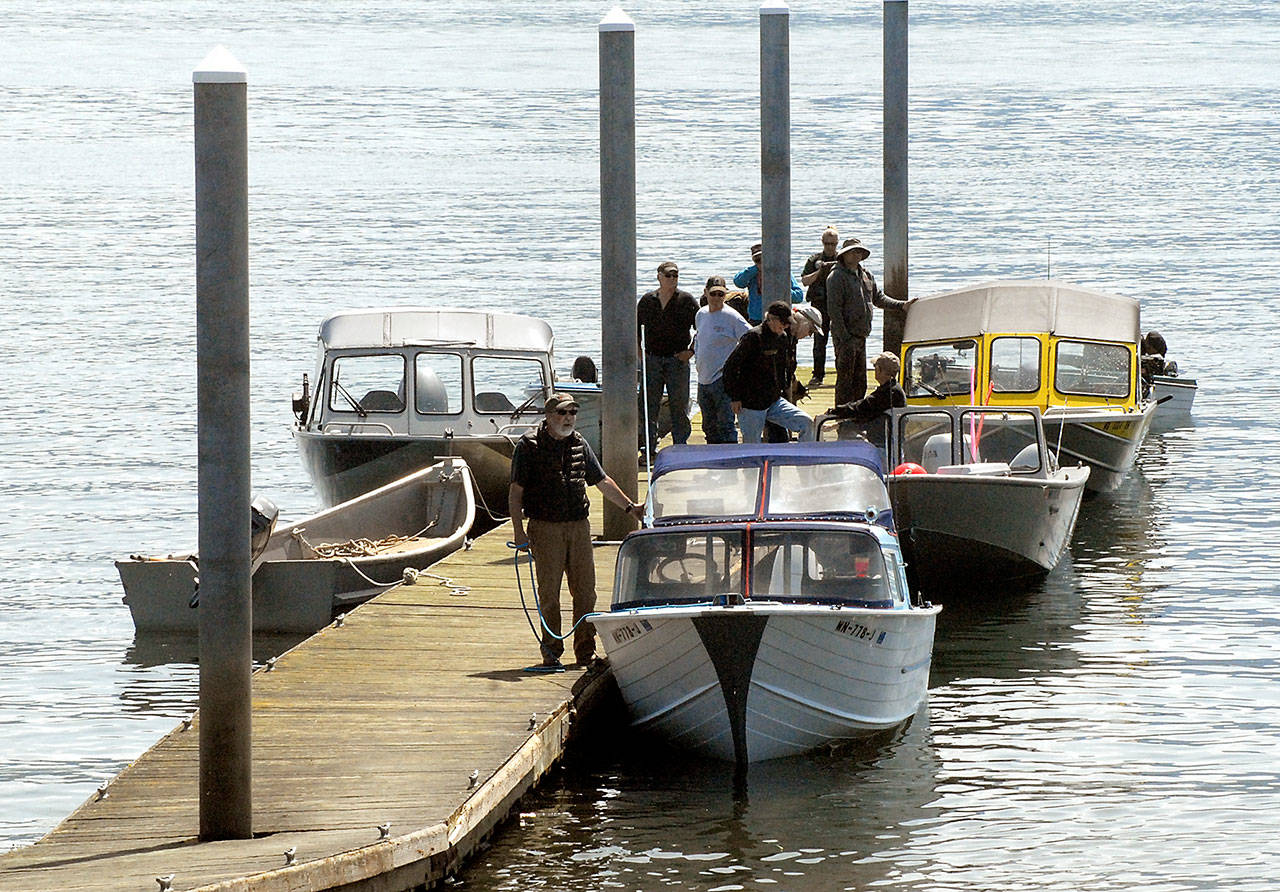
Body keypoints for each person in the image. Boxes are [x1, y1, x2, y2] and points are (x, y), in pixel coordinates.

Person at [509, 394, 643, 669]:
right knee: (549, 593)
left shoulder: (579, 442)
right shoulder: (528, 445)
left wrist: (631, 508)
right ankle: (551, 652)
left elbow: (601, 480)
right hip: (545, 527)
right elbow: (515, 492)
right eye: (562, 413)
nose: (568, 417)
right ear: (548, 416)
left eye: (572, 412)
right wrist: (518, 532)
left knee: (586, 592)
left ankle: (585, 652)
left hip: (579, 526)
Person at [826, 237, 914, 406]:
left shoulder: (866, 275)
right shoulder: (836, 276)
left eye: (859, 251)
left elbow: (878, 298)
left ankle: (858, 417)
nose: (857, 254)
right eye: (853, 251)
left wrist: (902, 305)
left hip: (861, 336)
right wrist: (845, 337)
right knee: (845, 382)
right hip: (845, 338)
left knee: (860, 382)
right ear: (844, 255)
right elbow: (834, 311)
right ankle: (842, 420)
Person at [722, 301, 815, 444]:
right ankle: (751, 466)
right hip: (751, 404)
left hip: (774, 401)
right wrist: (735, 397)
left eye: (787, 323)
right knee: (752, 446)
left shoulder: (783, 337)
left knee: (806, 423)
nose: (785, 326)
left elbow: (783, 367)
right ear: (771, 319)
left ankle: (803, 460)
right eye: (782, 323)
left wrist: (784, 388)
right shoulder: (753, 337)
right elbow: (730, 367)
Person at [637, 261, 699, 455]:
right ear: (659, 276)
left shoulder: (687, 300)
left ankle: (680, 445)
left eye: (675, 276)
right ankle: (648, 447)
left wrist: (691, 351)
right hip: (652, 359)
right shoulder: (647, 300)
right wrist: (640, 355)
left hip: (677, 360)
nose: (672, 279)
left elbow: (701, 328)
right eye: (668, 275)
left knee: (679, 405)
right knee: (648, 406)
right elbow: (635, 330)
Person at [694, 276, 751, 443]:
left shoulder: (732, 316)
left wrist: (738, 368)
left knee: (725, 424)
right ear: (706, 293)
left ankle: (731, 461)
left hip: (722, 379)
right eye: (713, 294)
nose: (717, 298)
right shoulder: (700, 314)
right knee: (708, 426)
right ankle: (713, 460)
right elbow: (699, 340)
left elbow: (750, 339)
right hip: (703, 379)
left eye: (721, 294)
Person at [816, 351, 906, 440]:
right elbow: (867, 415)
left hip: (883, 445)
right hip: (887, 440)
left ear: (878, 369)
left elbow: (860, 408)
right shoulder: (892, 389)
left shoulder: (887, 392)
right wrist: (836, 425)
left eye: (875, 367)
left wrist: (833, 411)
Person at [800, 226, 840, 385]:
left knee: (840, 340)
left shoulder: (842, 259)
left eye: (833, 244)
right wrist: (820, 271)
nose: (830, 247)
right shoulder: (814, 260)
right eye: (827, 244)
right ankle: (818, 375)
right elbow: (804, 281)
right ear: (823, 243)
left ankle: (841, 374)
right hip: (819, 305)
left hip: (837, 305)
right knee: (819, 341)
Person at [733, 242, 804, 323]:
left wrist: (780, 290)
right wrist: (755, 269)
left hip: (780, 319)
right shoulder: (751, 274)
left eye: (764, 258)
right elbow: (738, 282)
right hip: (757, 320)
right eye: (758, 260)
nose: (762, 262)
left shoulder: (782, 272)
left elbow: (799, 297)